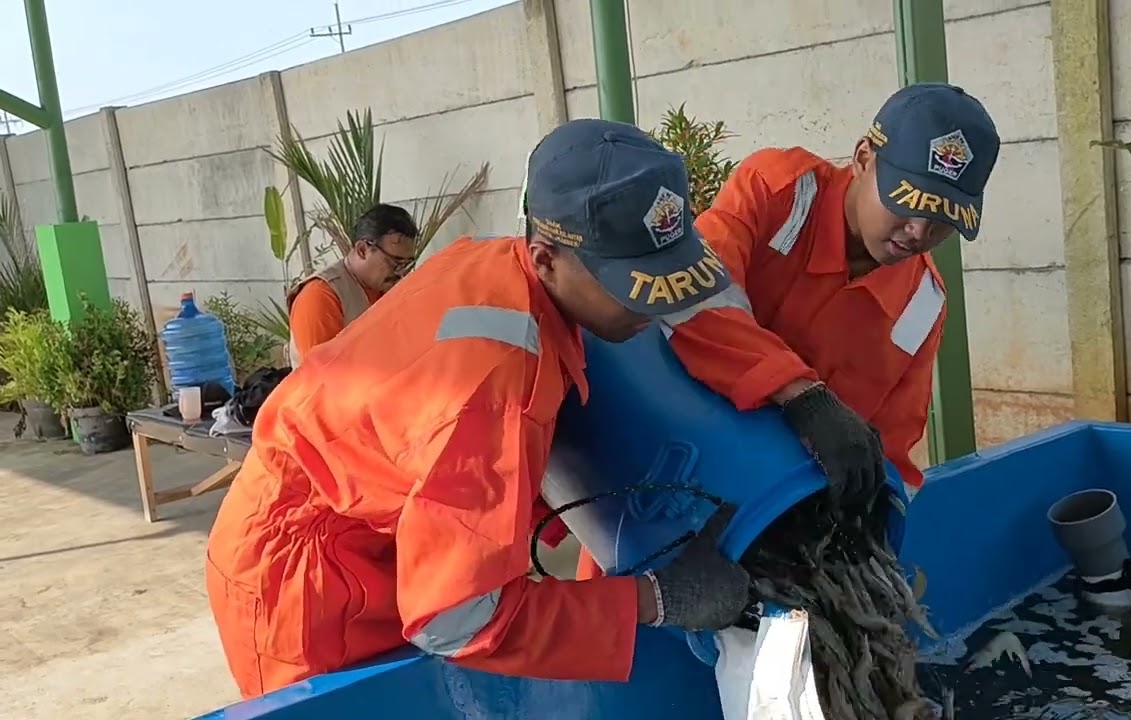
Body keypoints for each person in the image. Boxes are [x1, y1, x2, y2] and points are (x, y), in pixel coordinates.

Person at [204, 118, 752, 699]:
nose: (652, 303)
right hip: (304, 583)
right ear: (545, 258)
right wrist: (657, 599)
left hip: (345, 523)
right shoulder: (487, 393)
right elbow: (454, 619)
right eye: (633, 283)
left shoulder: (502, 269)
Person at [577, 84, 1001, 580]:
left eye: (942, 220)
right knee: (625, 617)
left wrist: (873, 522)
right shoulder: (777, 192)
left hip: (784, 523)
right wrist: (803, 396)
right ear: (864, 157)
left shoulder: (922, 304)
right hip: (666, 482)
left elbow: (890, 445)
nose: (918, 232)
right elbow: (692, 299)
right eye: (905, 202)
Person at [285, 203, 419, 366]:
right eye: (395, 262)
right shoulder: (321, 295)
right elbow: (322, 376)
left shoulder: (387, 287)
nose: (401, 273)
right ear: (362, 250)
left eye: (407, 264)